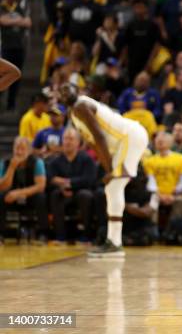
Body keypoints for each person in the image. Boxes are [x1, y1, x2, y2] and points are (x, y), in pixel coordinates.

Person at [58, 83, 149, 257]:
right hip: (124, 140)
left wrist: (109, 169)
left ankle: (114, 244)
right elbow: (94, 143)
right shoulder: (74, 114)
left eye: (68, 88)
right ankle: (113, 241)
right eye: (61, 91)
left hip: (130, 136)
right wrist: (108, 168)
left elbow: (99, 137)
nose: (64, 93)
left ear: (77, 91)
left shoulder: (81, 105)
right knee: (112, 188)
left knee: (114, 186)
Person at [48, 128, 96, 244]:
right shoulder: (56, 160)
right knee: (55, 195)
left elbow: (89, 180)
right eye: (65, 139)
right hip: (63, 193)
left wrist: (67, 183)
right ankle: (60, 236)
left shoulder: (86, 159)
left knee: (85, 195)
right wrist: (61, 187)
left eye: (71, 139)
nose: (67, 142)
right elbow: (50, 178)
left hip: (82, 192)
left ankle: (87, 236)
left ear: (78, 143)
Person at [0, 137, 48, 245]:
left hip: (30, 197)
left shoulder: (37, 162)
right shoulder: (6, 162)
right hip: (10, 198)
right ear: (13, 149)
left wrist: (19, 193)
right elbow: (2, 187)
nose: (19, 152)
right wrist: (12, 168)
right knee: (0, 196)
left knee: (41, 197)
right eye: (17, 148)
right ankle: (1, 234)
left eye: (22, 149)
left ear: (29, 151)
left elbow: (41, 186)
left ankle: (42, 234)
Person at [0, 0, 31, 110]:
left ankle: (11, 104)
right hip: (6, 45)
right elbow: (2, 21)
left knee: (15, 75)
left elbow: (28, 22)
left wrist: (10, 20)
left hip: (19, 46)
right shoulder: (2, 7)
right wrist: (19, 21)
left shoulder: (20, 7)